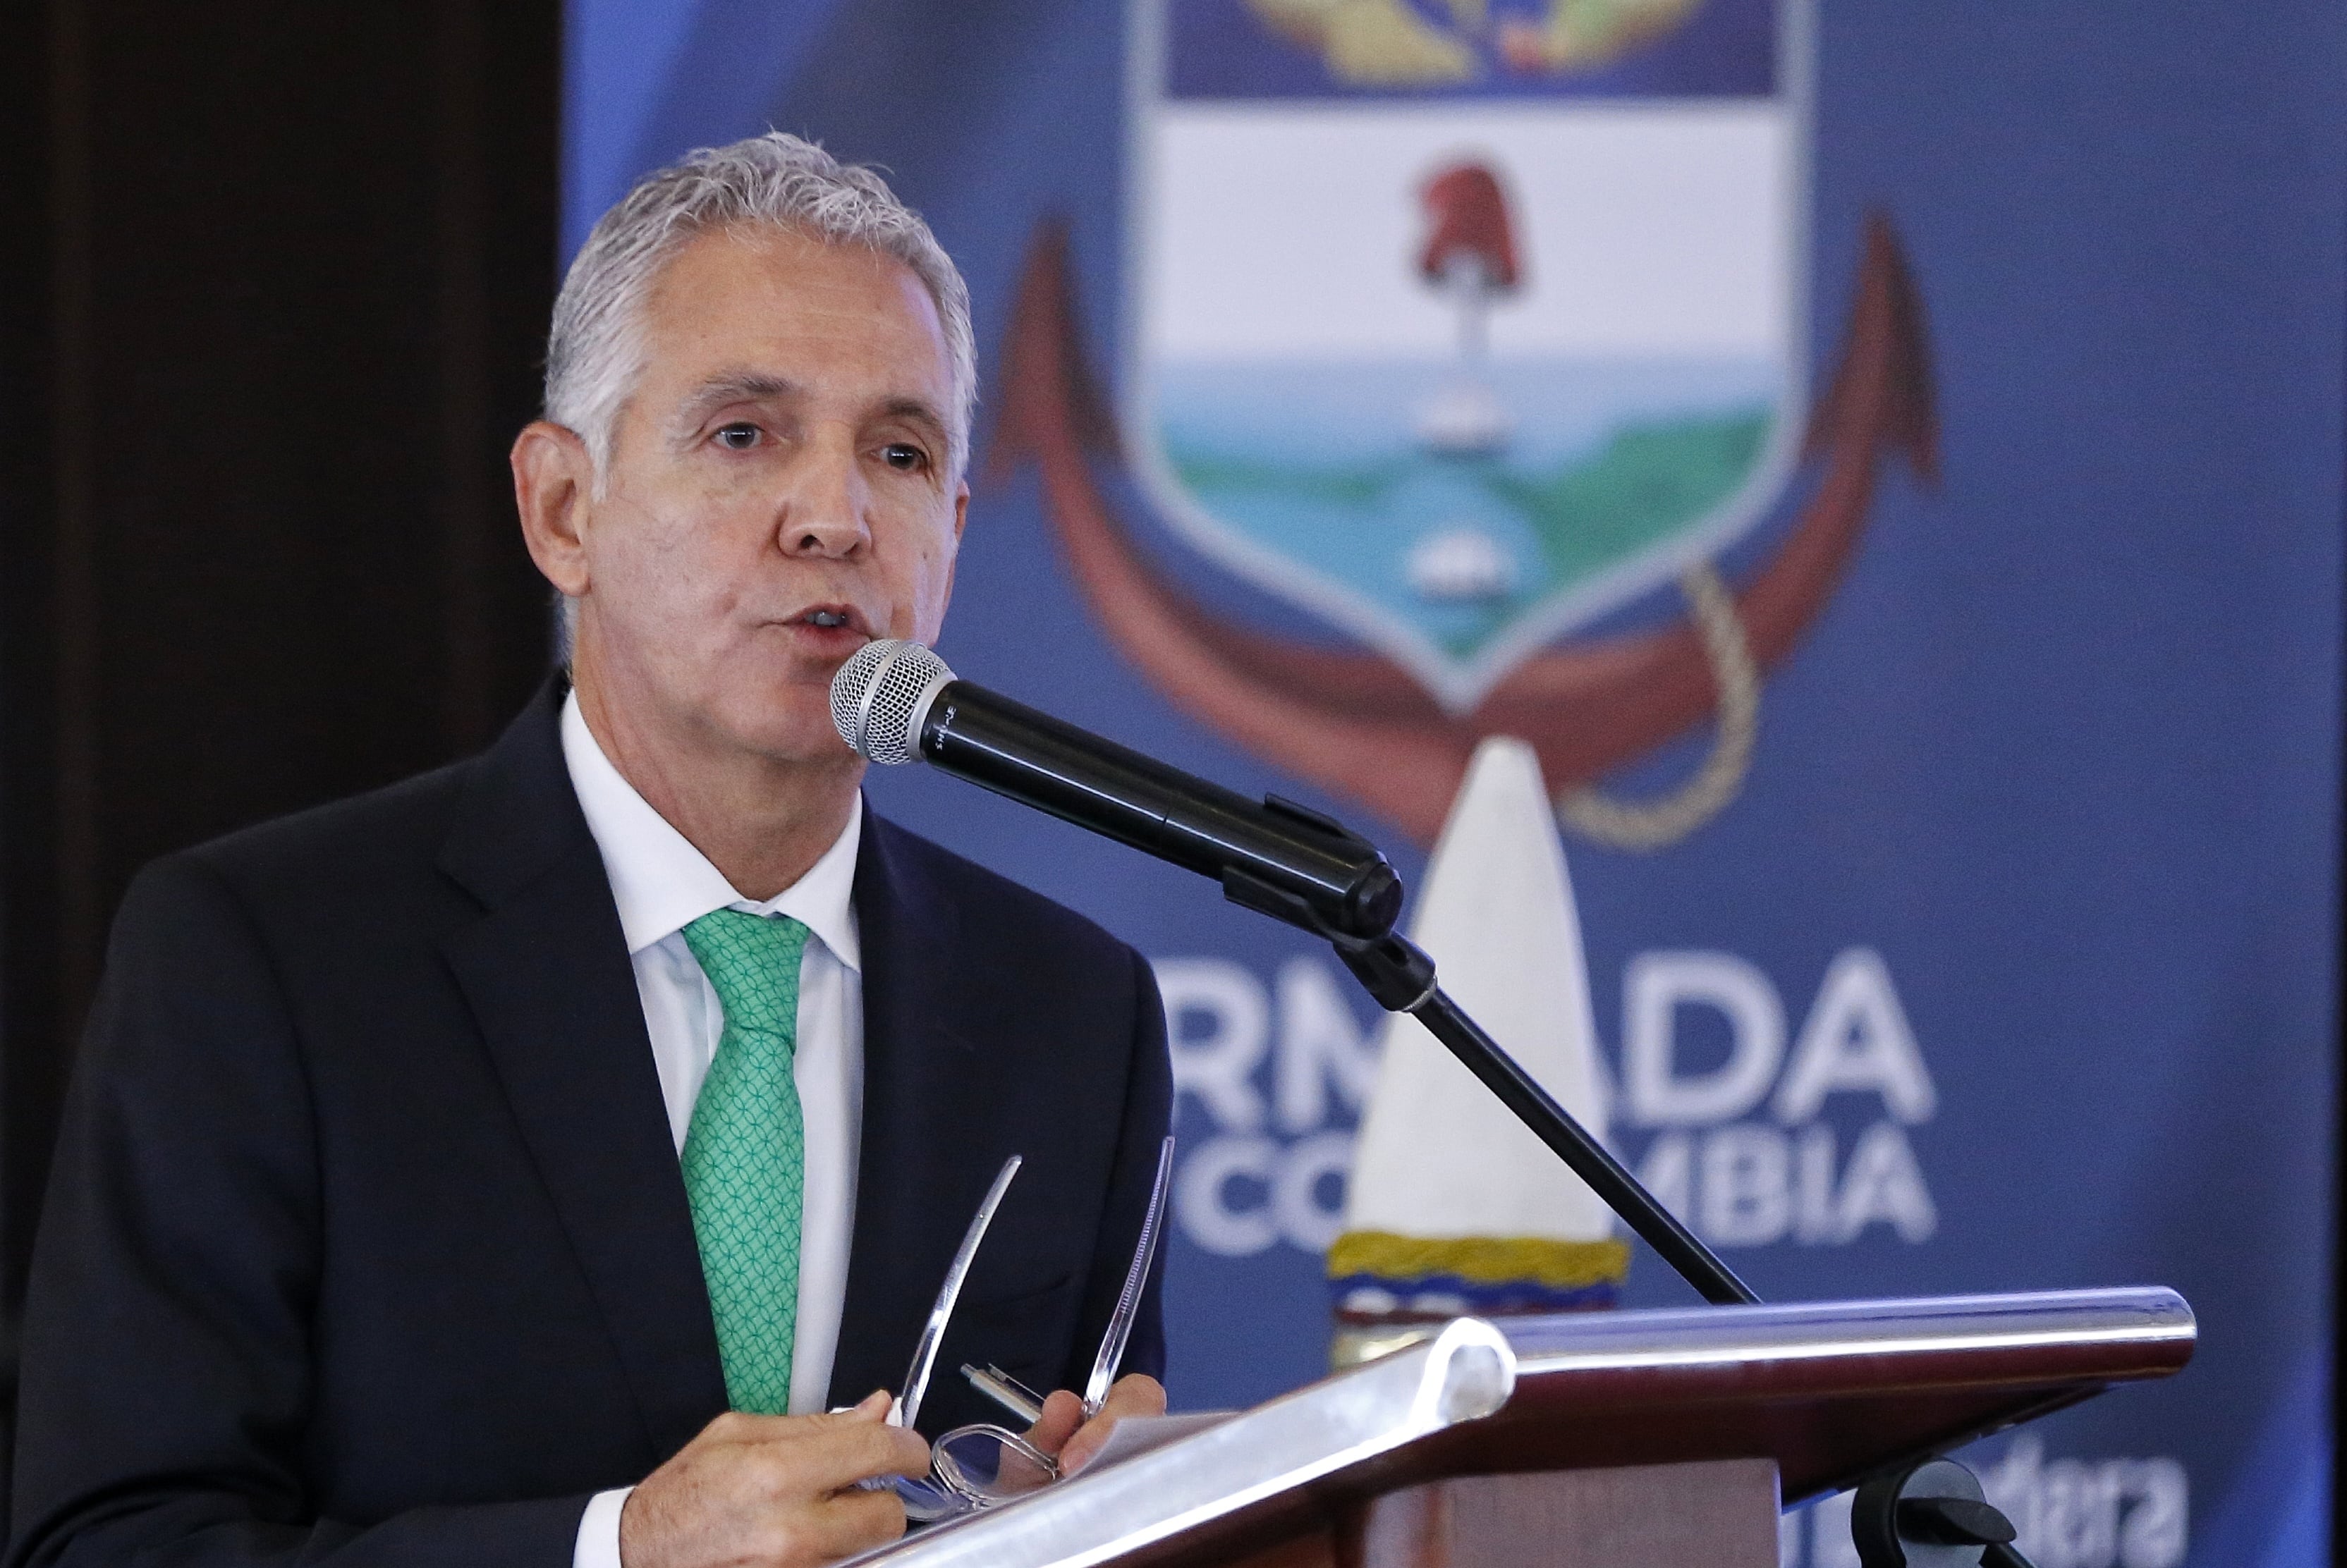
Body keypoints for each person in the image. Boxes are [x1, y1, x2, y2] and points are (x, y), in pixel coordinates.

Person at [8, 134, 1172, 1568]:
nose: (835, 517)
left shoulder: (1071, 1014)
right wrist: (617, 1548)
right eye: (743, 433)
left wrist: (1134, 1515)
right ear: (563, 509)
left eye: (900, 452)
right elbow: (110, 1546)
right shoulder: (263, 960)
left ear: (953, 534)